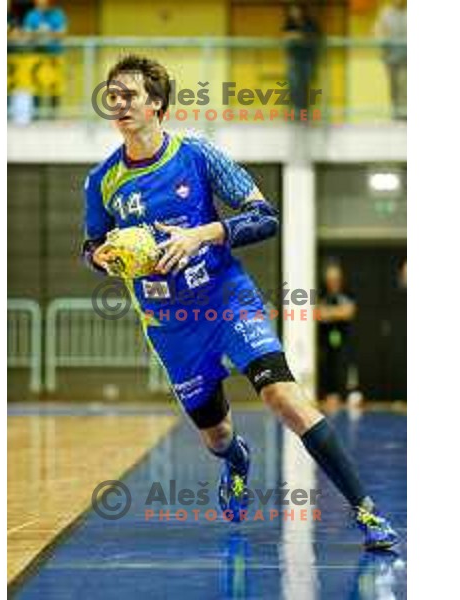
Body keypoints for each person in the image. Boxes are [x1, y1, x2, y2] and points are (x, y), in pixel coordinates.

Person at [81, 55, 397, 550]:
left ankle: (367, 511)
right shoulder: (101, 181)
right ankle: (236, 460)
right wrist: (106, 258)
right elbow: (91, 246)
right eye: (112, 95)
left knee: (283, 396)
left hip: (227, 299)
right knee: (216, 434)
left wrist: (203, 235)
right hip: (170, 324)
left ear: (157, 104)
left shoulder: (199, 156)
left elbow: (264, 216)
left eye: (130, 94)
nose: (118, 103)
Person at [317, 262, 358, 411]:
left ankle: (347, 395)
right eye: (330, 280)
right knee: (328, 364)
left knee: (344, 364)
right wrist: (337, 312)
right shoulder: (322, 294)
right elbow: (318, 314)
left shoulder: (347, 294)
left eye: (336, 279)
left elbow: (349, 312)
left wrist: (331, 313)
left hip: (344, 336)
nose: (333, 283)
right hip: (326, 338)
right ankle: (330, 395)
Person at [22, 0, 68, 118]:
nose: (42, 3)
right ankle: (36, 116)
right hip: (36, 56)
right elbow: (27, 35)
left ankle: (53, 116)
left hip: (54, 56)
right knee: (36, 87)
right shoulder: (32, 15)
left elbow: (61, 33)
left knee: (54, 87)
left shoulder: (57, 14)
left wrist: (41, 33)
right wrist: (48, 33)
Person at [282, 3, 320, 114]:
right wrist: (296, 36)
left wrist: (298, 36)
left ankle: (303, 113)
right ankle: (294, 111)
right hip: (294, 59)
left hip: (307, 60)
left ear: (302, 11)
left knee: (304, 85)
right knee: (293, 85)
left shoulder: (310, 23)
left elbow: (312, 37)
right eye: (291, 11)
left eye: (296, 10)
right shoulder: (289, 23)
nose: (294, 13)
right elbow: (285, 37)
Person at [374, 0, 407, 120]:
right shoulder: (385, 13)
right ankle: (397, 116)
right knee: (394, 87)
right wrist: (383, 46)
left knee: (404, 85)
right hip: (391, 58)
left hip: (407, 59)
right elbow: (378, 31)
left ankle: (404, 116)